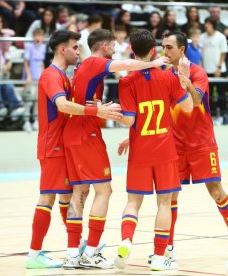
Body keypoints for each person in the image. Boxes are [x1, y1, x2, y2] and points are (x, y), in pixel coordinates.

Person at [118, 31, 228, 267]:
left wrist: (186, 81)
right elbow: (154, 110)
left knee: (217, 192)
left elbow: (195, 103)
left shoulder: (198, 73)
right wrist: (134, 136)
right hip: (174, 144)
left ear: (182, 50)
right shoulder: (163, 74)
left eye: (169, 47)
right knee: (169, 198)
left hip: (201, 142)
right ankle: (167, 250)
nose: (164, 51)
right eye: (162, 47)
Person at [61, 28, 168, 269]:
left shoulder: (84, 68)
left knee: (81, 192)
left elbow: (83, 98)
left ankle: (72, 253)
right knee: (104, 191)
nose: (115, 50)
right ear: (104, 46)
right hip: (85, 134)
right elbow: (125, 65)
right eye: (112, 46)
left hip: (74, 133)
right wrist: (154, 63)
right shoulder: (95, 62)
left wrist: (99, 105)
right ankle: (90, 252)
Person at [25, 30, 122, 269]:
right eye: (75, 48)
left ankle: (74, 249)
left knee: (69, 198)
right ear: (62, 49)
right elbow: (62, 104)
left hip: (63, 143)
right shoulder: (51, 76)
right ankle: (35, 253)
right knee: (47, 198)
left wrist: (99, 106)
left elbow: (74, 107)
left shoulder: (65, 76)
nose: (78, 52)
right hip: (52, 146)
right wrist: (95, 111)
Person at [113, 29, 193, 271]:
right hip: (165, 150)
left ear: (131, 51)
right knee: (164, 203)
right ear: (153, 51)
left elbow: (128, 121)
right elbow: (188, 107)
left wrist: (115, 113)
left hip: (140, 150)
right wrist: (183, 82)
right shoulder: (168, 77)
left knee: (133, 203)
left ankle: (126, 240)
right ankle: (159, 257)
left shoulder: (126, 82)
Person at [23, 28, 46, 132]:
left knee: (38, 101)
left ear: (42, 37)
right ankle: (26, 121)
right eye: (36, 36)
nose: (38, 38)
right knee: (29, 100)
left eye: (39, 36)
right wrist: (28, 76)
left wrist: (44, 75)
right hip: (31, 78)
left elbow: (41, 63)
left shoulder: (43, 47)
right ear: (33, 37)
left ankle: (36, 120)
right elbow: (26, 63)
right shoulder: (29, 47)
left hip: (39, 78)